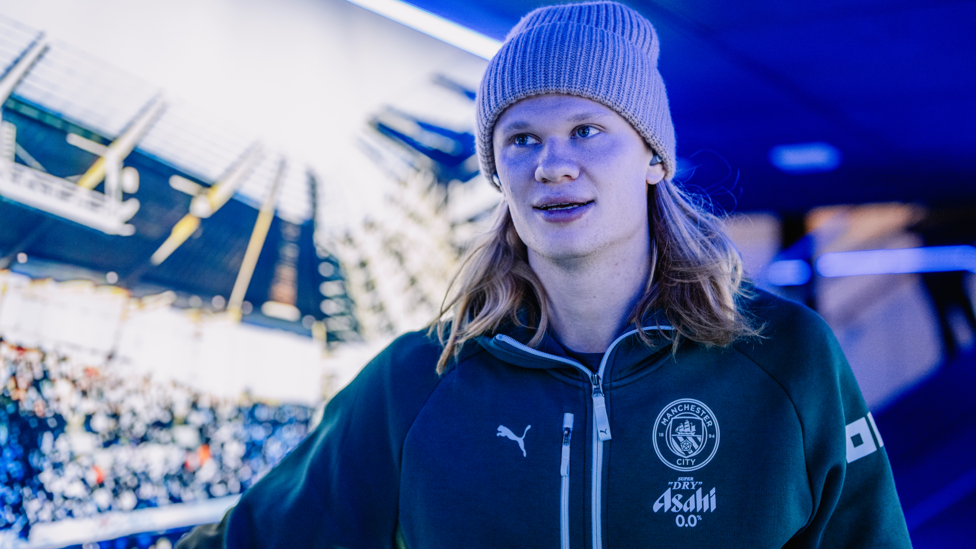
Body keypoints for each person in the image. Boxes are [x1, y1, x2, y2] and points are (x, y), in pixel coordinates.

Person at [178, 2, 912, 547]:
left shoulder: (784, 356)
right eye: (521, 139)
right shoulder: (418, 384)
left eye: (587, 131)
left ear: (653, 158)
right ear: (501, 175)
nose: (552, 163)